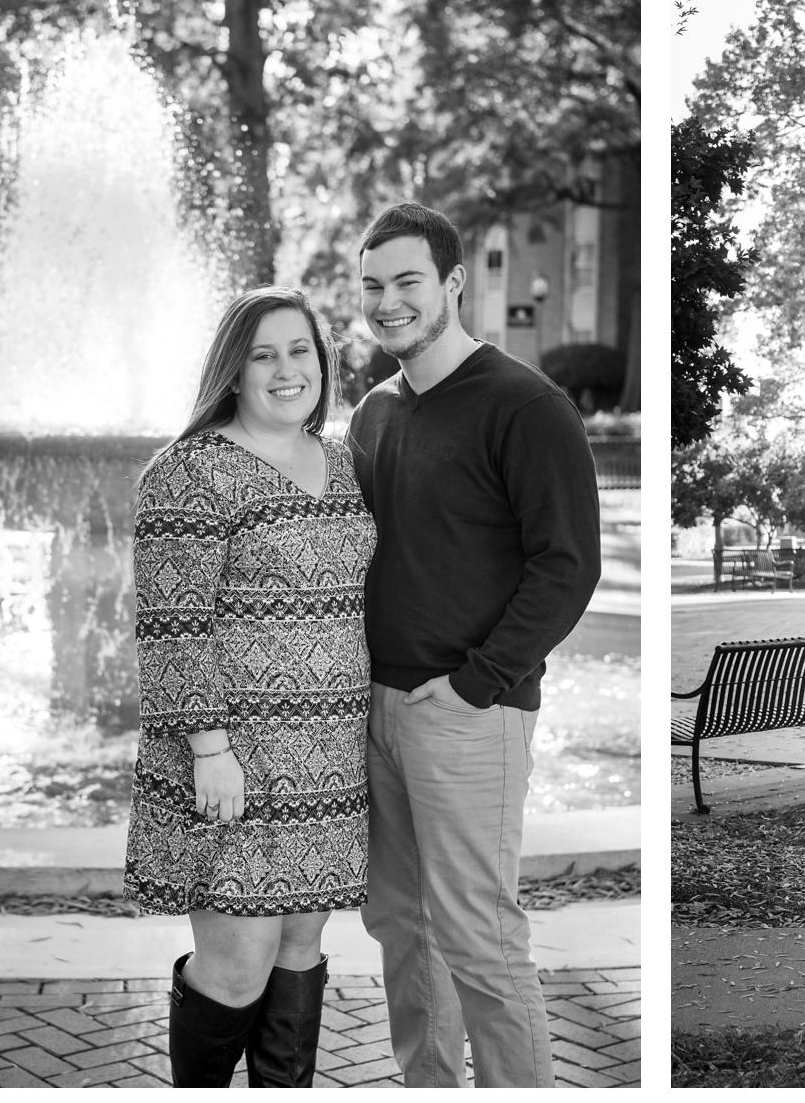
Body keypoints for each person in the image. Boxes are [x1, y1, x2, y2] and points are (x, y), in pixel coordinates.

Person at [347, 202, 602, 1087]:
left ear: (454, 283)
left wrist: (476, 684)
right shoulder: (374, 412)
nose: (388, 303)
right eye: (373, 286)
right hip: (377, 711)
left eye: (408, 282)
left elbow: (567, 568)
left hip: (467, 713)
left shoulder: (527, 407)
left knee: (479, 939)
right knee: (400, 927)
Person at [126, 286, 373, 1087]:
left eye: (299, 349)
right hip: (231, 762)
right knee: (237, 965)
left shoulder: (342, 461)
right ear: (234, 371)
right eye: (263, 354)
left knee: (300, 950)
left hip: (328, 763)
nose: (285, 368)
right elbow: (170, 626)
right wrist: (210, 749)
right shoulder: (189, 471)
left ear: (322, 362)